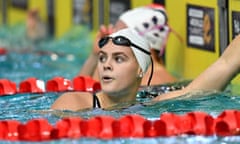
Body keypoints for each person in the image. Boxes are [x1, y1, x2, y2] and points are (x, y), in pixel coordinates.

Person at [51, 28, 240, 111]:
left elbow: (223, 67)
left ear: (140, 70)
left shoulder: (152, 105)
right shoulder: (73, 103)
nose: (106, 65)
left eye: (119, 58)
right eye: (103, 58)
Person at [79, 4, 177, 86]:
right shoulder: (119, 71)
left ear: (142, 41)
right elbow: (80, 92)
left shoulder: (157, 80)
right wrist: (95, 55)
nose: (111, 37)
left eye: (120, 34)